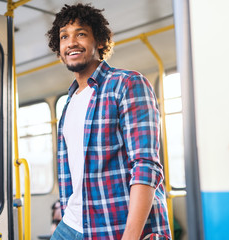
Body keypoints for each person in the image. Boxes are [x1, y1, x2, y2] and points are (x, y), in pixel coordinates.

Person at [47, 4, 171, 240]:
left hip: (115, 228)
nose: (71, 42)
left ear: (101, 41)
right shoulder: (69, 103)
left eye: (81, 34)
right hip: (71, 224)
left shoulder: (127, 83)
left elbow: (145, 166)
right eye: (64, 36)